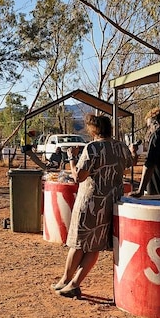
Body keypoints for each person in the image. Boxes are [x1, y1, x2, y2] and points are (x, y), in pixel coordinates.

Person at [53, 114, 134, 299]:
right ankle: (72, 283)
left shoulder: (93, 148)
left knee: (78, 242)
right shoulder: (120, 146)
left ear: (93, 129)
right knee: (94, 245)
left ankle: (67, 280)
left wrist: (72, 159)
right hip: (112, 202)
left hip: (90, 201)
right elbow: (128, 166)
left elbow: (79, 177)